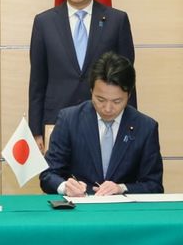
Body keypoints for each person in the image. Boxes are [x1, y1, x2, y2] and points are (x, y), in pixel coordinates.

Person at [29, 0, 136, 152]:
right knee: (60, 181)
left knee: (102, 180)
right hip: (57, 121)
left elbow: (127, 79)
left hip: (106, 117)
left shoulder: (116, 20)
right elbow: (37, 81)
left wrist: (131, 126)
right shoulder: (44, 22)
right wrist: (36, 130)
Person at [40, 52, 163, 196]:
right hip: (79, 210)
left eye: (117, 101)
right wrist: (65, 187)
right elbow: (48, 175)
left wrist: (121, 188)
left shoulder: (146, 127)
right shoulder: (69, 120)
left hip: (123, 213)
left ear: (129, 95)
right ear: (91, 90)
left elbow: (154, 185)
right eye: (100, 99)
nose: (108, 108)